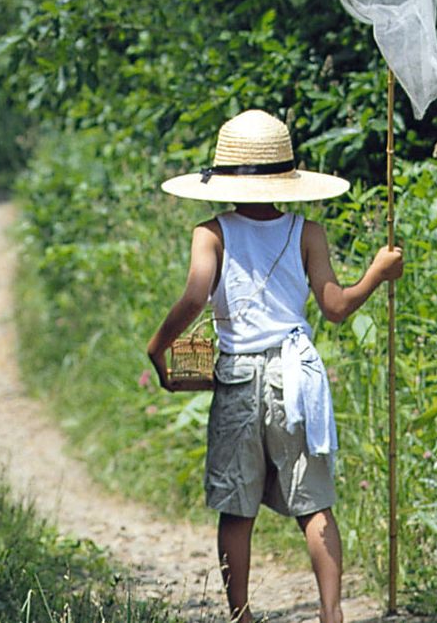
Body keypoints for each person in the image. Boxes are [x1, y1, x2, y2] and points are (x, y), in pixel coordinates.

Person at [146, 109, 403, 623]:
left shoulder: (211, 232)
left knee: (236, 507)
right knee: (313, 501)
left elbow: (196, 296)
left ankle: (240, 614)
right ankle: (332, 614)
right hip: (295, 375)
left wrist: (158, 347)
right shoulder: (309, 231)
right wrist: (376, 273)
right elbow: (335, 307)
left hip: (238, 374)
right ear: (287, 178)